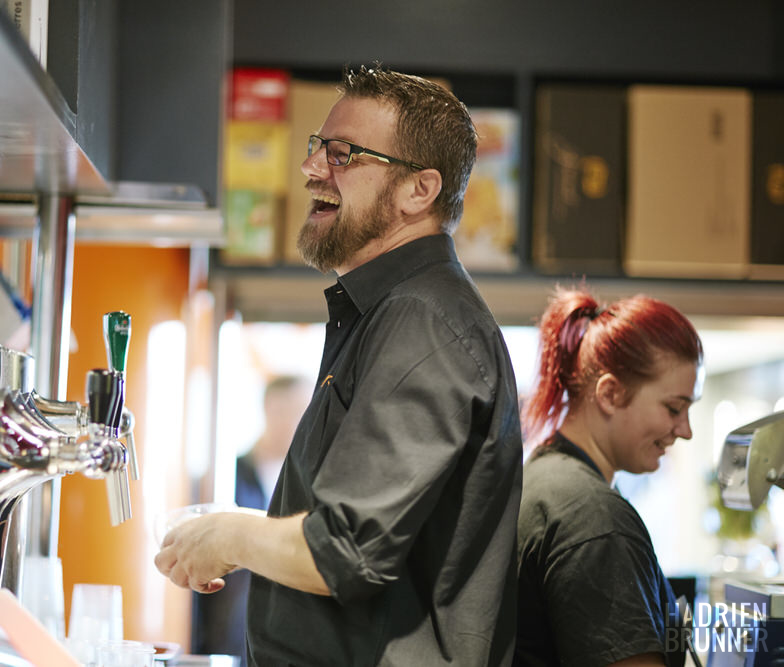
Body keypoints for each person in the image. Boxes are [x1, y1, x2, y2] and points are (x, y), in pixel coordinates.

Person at [155, 64, 523, 666]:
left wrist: (230, 535)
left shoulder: (423, 321)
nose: (311, 168)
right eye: (316, 148)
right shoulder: (385, 314)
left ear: (418, 191)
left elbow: (348, 552)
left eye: (343, 153)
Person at [514, 287, 704, 667]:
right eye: (673, 408)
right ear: (610, 394)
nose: (685, 430)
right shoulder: (594, 520)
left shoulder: (545, 476)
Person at [191, 375, 313, 663]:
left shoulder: (315, 485)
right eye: (290, 411)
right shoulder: (226, 476)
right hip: (228, 637)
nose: (298, 423)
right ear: (269, 408)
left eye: (305, 413)